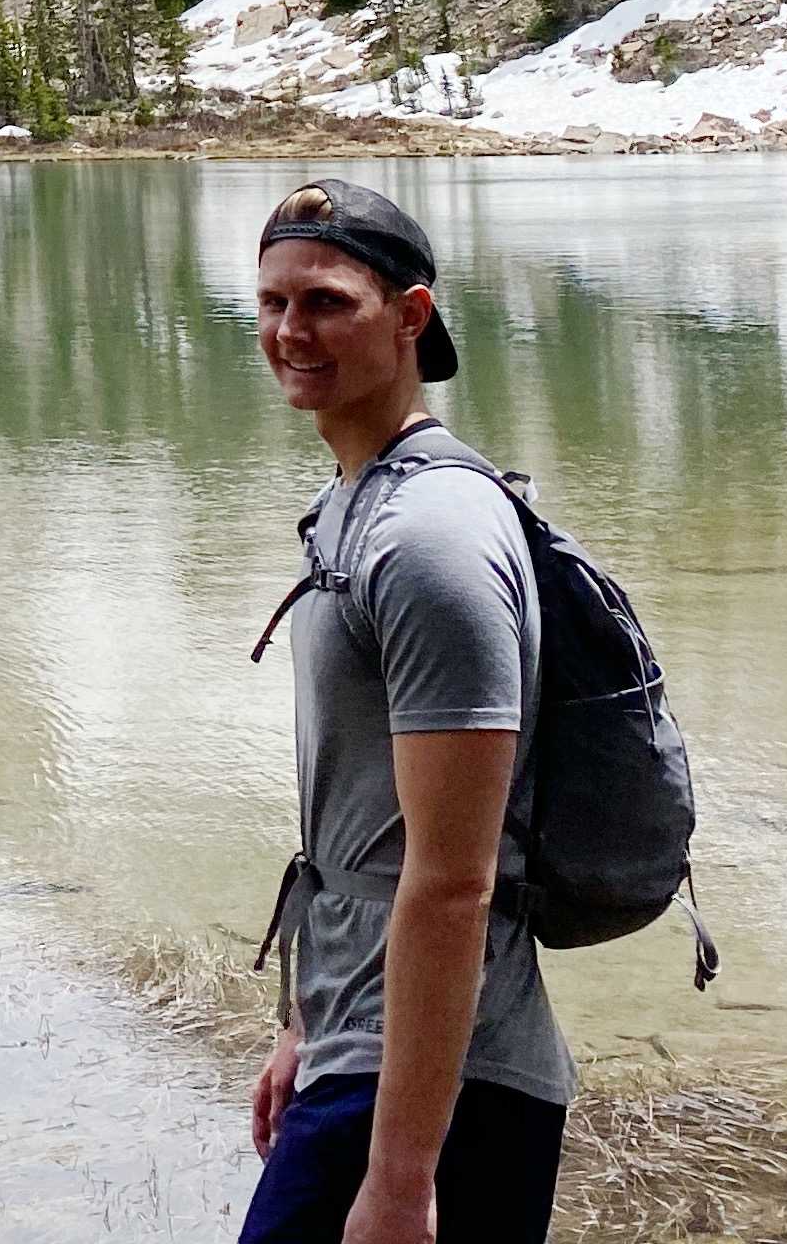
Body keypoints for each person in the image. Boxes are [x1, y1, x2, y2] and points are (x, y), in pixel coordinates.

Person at [241, 177, 573, 1244]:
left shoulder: (430, 538)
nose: (293, 330)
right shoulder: (355, 505)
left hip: (446, 1085)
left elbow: (453, 879)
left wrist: (397, 1178)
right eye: (274, 303)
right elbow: (356, 828)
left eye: (329, 302)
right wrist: (307, 1021)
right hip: (365, 1051)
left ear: (412, 317)